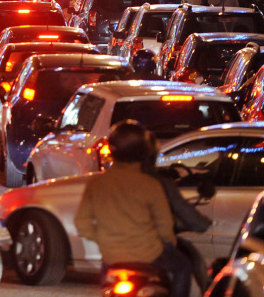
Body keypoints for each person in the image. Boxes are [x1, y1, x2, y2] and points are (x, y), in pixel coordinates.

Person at [75, 121, 192, 297]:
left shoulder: (97, 184)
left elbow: (81, 222)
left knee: (106, 282)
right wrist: (169, 242)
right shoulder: (150, 185)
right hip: (150, 254)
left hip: (112, 256)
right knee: (183, 267)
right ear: (143, 151)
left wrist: (103, 239)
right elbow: (165, 224)